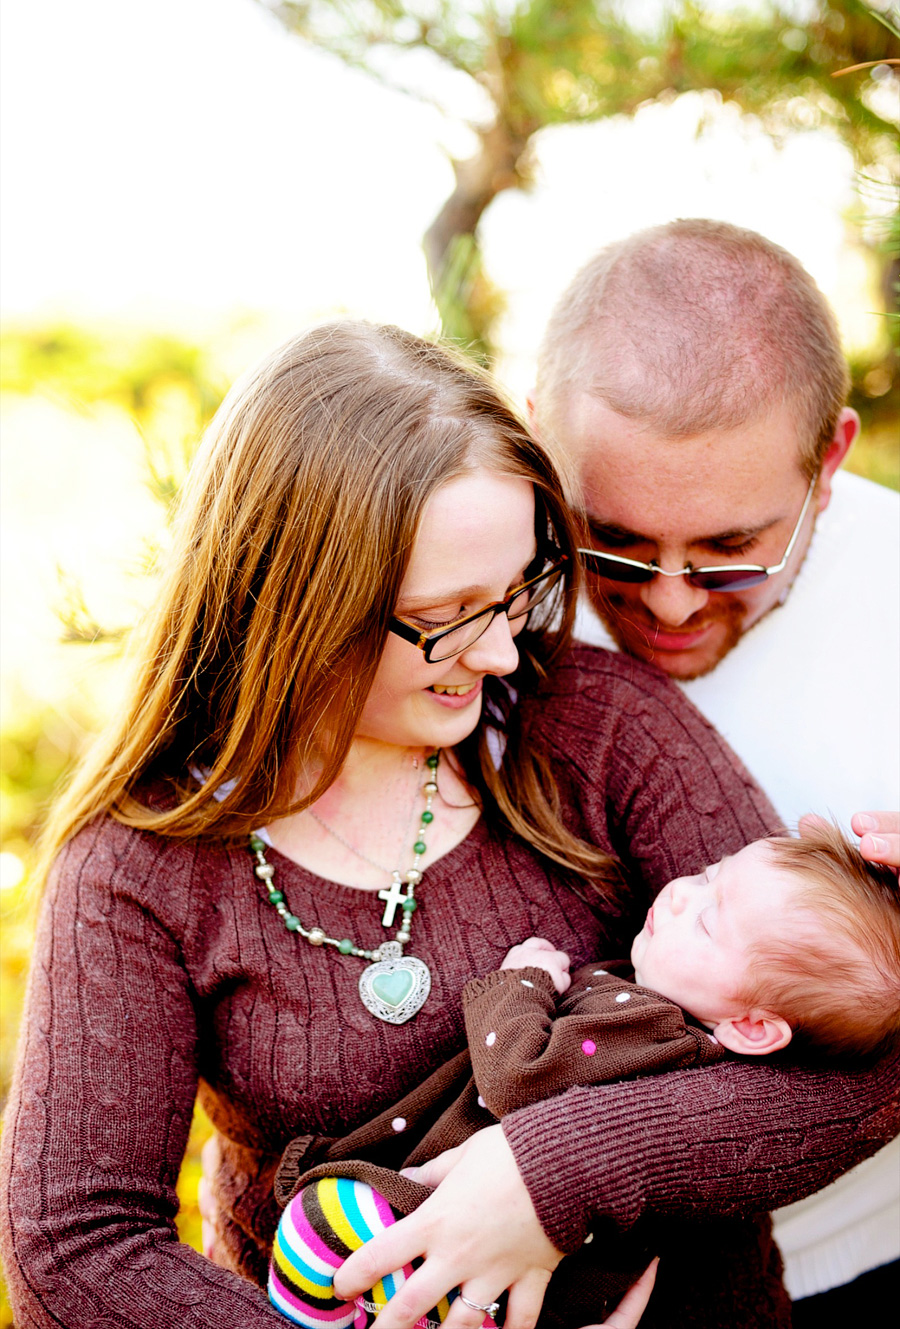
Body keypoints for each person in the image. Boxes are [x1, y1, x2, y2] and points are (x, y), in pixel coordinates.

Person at [0, 322, 895, 1329]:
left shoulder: (597, 727)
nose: (506, 653)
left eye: (518, 592)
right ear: (303, 602)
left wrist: (550, 1176)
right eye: (452, 614)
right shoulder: (140, 864)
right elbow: (74, 1248)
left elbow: (864, 1066)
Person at [528, 217, 900, 1316]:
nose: (675, 602)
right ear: (544, 432)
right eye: (619, 546)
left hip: (863, 1263)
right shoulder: (463, 583)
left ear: (829, 460)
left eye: (735, 551)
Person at [268, 827, 900, 1329]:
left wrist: (521, 985)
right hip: (474, 1250)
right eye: (710, 875)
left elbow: (516, 1080)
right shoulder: (662, 1017)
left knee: (320, 1221)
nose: (681, 893)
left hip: (467, 1255)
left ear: (753, 1027)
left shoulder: (653, 1031)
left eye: (709, 921)